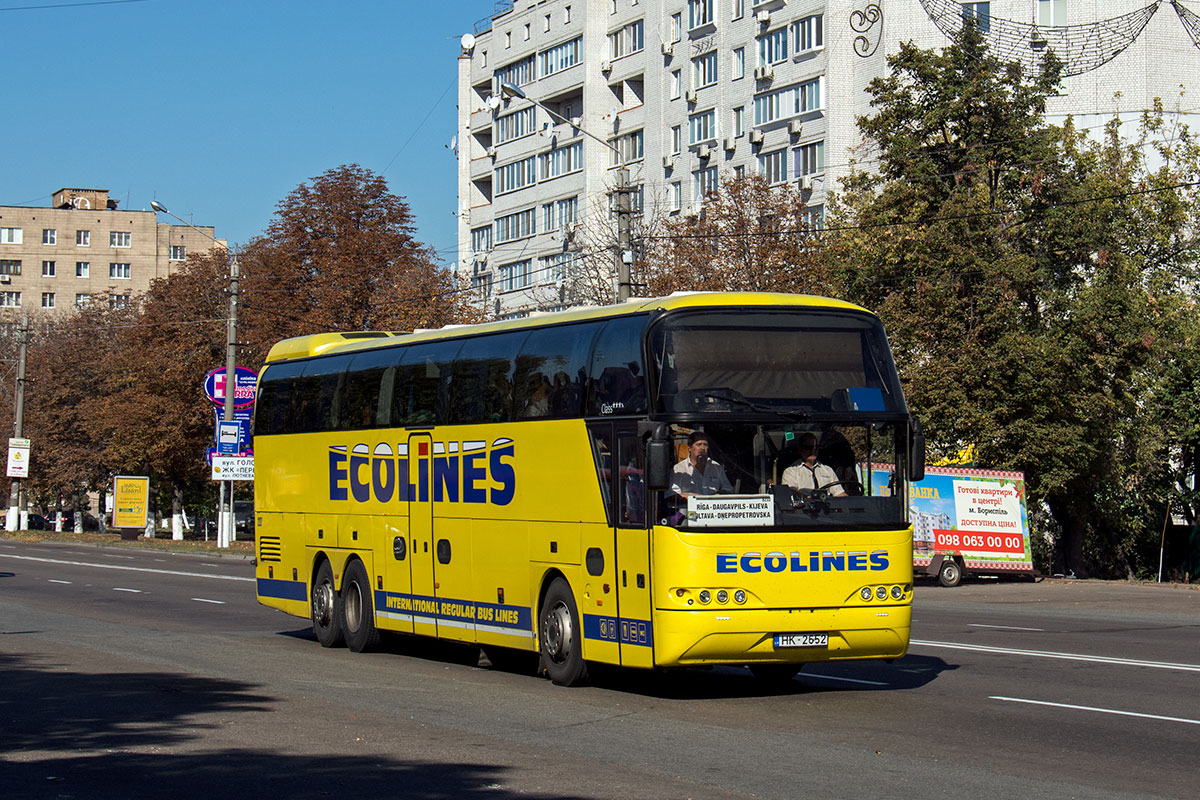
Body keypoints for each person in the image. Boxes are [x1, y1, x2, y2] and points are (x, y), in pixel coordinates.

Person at [669, 430, 734, 497]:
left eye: (705, 445)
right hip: (688, 507)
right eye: (698, 444)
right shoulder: (678, 469)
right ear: (689, 448)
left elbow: (728, 489)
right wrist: (694, 499)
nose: (702, 448)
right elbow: (672, 495)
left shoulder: (716, 467)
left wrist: (716, 497)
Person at [781, 433, 846, 497]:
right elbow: (791, 494)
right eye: (808, 448)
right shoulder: (790, 472)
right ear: (800, 450)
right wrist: (809, 498)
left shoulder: (828, 470)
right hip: (803, 506)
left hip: (827, 506)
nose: (812, 451)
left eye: (815, 448)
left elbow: (839, 494)